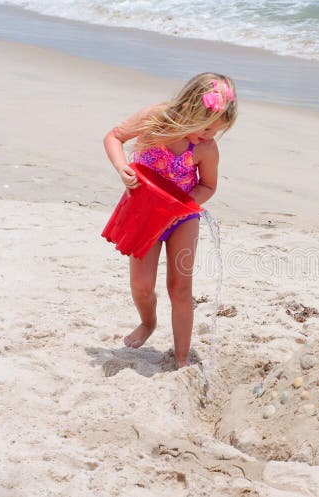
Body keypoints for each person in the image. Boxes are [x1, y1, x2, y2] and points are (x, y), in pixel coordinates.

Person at [103, 72, 237, 369]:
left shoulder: (204, 149)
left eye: (213, 134)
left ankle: (181, 358)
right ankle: (148, 322)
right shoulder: (155, 120)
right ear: (188, 111)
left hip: (181, 217)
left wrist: (182, 206)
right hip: (144, 213)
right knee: (141, 284)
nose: (207, 138)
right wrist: (121, 166)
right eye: (204, 131)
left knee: (180, 288)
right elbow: (114, 136)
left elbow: (208, 186)